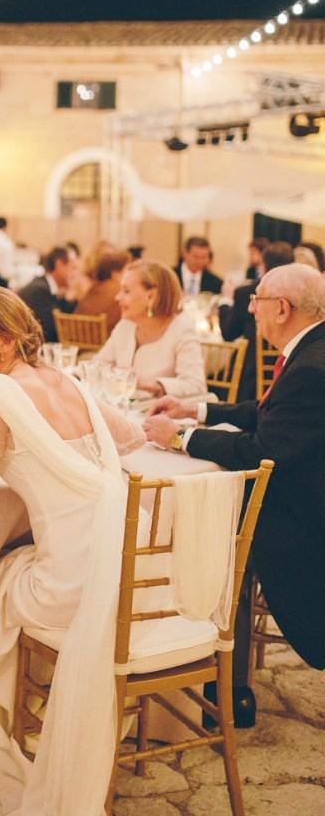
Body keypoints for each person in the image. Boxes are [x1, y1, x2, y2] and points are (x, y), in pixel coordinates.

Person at [0, 285, 144, 816]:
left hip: (71, 587)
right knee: (15, 565)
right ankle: (41, 706)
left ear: (6, 340)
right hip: (123, 565)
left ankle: (4, 731)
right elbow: (130, 435)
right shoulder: (66, 380)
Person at [144, 263, 325, 703]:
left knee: (211, 529)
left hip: (300, 517)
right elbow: (268, 415)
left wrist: (181, 438)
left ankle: (217, 680)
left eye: (256, 299)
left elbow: (262, 449)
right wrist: (197, 411)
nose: (250, 309)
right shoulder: (310, 350)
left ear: (280, 308)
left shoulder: (312, 368)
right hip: (302, 493)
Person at [94, 259, 206, 397]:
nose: (118, 297)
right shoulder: (126, 325)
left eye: (126, 291)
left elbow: (196, 386)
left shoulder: (181, 329)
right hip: (123, 410)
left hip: (158, 415)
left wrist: (152, 385)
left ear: (151, 296)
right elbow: (98, 365)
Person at [218, 242, 294, 401]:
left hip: (250, 378)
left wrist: (225, 302)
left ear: (263, 265)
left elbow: (229, 333)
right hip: (289, 368)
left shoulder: (246, 292)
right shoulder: (297, 295)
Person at [18, 246, 78, 342]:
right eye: (73, 268)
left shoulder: (46, 286)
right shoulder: (40, 290)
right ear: (59, 265)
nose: (75, 274)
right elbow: (55, 331)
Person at [76, 248, 130, 333]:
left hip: (78, 341)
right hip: (104, 343)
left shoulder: (94, 289)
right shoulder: (118, 291)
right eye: (126, 271)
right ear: (115, 274)